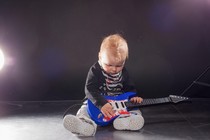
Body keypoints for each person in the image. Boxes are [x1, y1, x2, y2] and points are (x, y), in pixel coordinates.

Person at [63, 34, 144, 136]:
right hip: (97, 103)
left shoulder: (124, 72)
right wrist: (101, 104)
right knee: (84, 110)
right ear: (100, 56)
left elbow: (129, 88)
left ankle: (125, 121)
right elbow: (90, 89)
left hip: (119, 105)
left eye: (119, 65)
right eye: (109, 65)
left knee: (135, 110)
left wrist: (134, 97)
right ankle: (85, 124)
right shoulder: (95, 70)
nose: (114, 69)